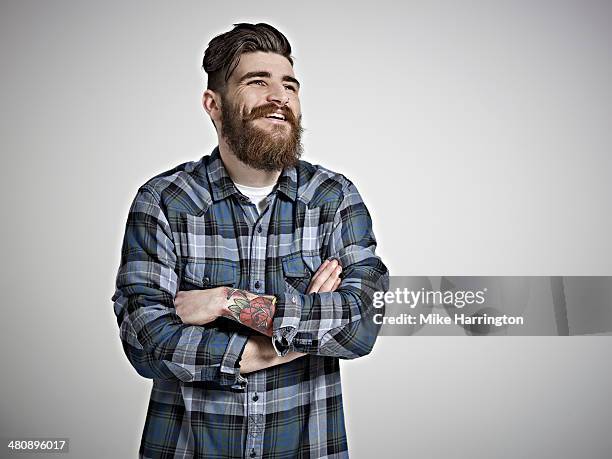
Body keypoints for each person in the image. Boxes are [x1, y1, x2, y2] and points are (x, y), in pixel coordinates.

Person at [112, 22, 389, 459]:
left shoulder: (333, 199)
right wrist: (303, 329)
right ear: (214, 104)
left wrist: (226, 302)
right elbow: (146, 342)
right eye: (257, 82)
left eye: (289, 86)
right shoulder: (164, 201)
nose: (279, 96)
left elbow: (363, 325)